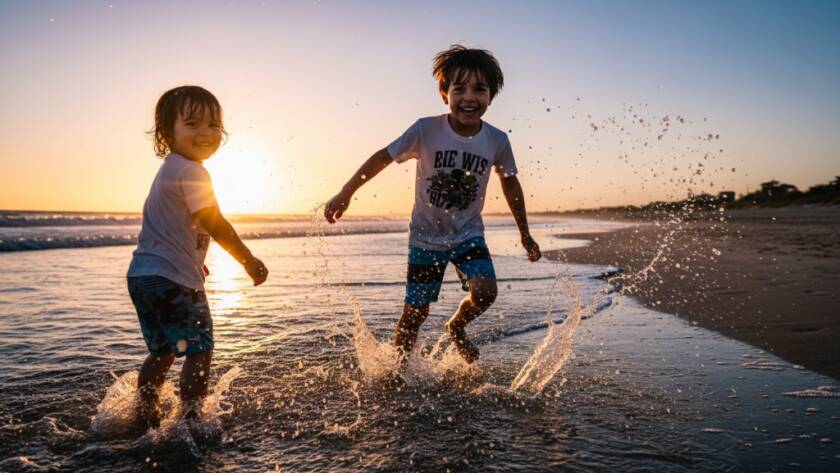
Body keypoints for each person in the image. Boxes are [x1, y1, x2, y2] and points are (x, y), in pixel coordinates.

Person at [324, 45, 541, 365]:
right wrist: (346, 191)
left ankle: (457, 326)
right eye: (459, 88)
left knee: (486, 291)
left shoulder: (497, 140)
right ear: (444, 93)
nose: (469, 97)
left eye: (479, 89)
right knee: (415, 313)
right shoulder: (426, 129)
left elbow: (510, 182)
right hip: (425, 238)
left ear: (491, 96)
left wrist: (525, 234)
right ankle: (396, 370)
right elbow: (384, 156)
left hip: (468, 234)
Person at [126, 85, 268, 427]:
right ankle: (190, 419)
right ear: (166, 132)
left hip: (143, 277)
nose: (205, 133)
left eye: (212, 125)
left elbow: (166, 228)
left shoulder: (168, 170)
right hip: (174, 280)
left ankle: (145, 413)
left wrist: (193, 257)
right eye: (192, 124)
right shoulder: (192, 171)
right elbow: (213, 222)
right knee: (199, 349)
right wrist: (247, 260)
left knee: (162, 351)